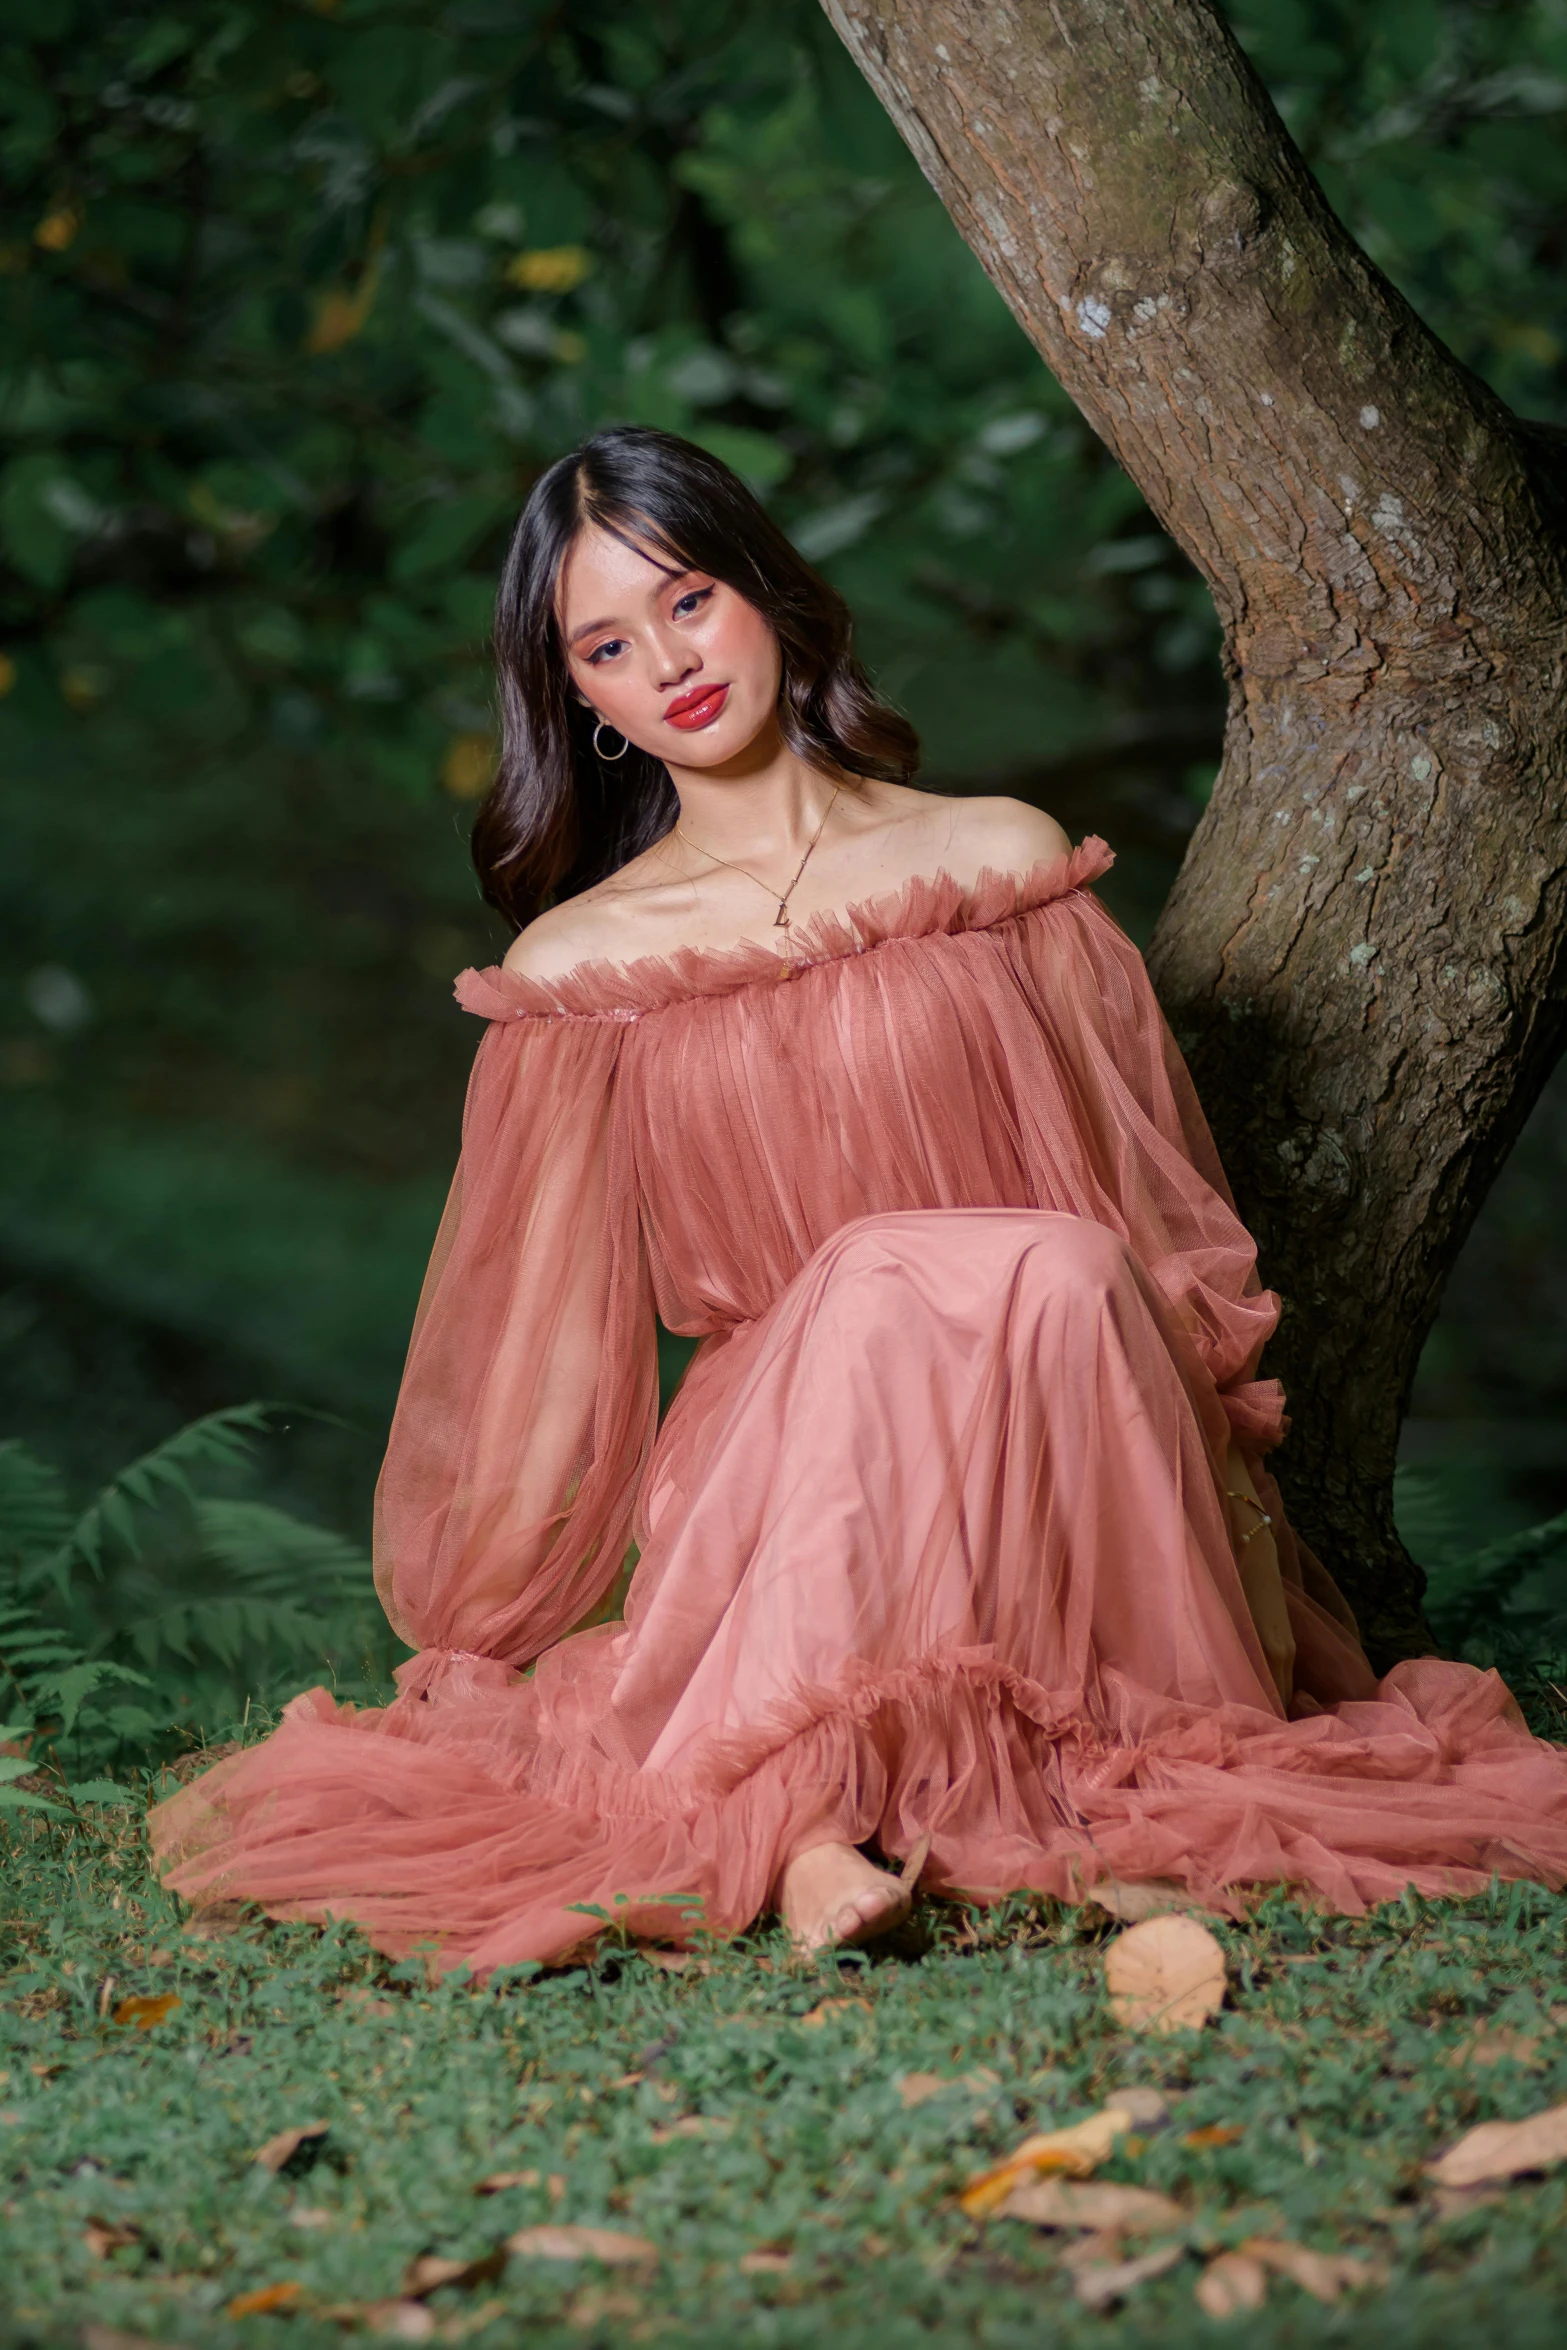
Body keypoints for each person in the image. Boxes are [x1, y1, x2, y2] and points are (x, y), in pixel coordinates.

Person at [151, 427, 1567, 1966]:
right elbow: (546, 1342)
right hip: (778, 1466)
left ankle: (1000, 1802)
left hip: (1055, 1407)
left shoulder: (995, 861)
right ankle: (800, 1818)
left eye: (689, 601)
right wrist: (480, 1617)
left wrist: (1227, 1487)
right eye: (607, 646)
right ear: (584, 702)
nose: (669, 663)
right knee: (883, 1274)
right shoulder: (581, 969)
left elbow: (1137, 1230)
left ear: (765, 591)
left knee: (1037, 1266)